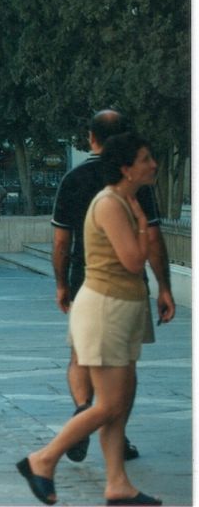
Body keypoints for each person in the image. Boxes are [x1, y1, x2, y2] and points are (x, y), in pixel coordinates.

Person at [18, 133, 163, 506]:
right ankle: (43, 459)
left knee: (121, 404)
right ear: (127, 168)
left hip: (123, 311)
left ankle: (118, 485)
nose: (153, 165)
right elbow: (133, 261)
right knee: (109, 406)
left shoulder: (127, 200)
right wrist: (145, 226)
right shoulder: (111, 203)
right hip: (104, 312)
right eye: (146, 159)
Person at [51, 110, 175, 465]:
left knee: (79, 355)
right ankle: (116, 435)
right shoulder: (132, 181)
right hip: (128, 286)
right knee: (125, 364)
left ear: (91, 137)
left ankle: (82, 409)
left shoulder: (74, 179)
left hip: (84, 280)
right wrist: (164, 286)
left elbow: (61, 243)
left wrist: (61, 284)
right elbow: (152, 239)